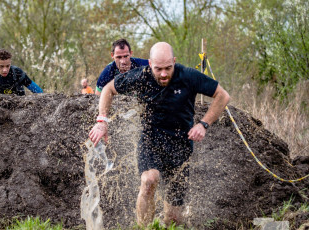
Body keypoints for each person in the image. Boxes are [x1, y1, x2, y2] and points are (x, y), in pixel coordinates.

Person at [89, 42, 230, 226]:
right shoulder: (140, 76)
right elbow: (108, 89)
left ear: (174, 61)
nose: (163, 74)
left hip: (181, 144)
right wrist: (102, 121)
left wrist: (204, 124)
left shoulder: (188, 76)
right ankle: (144, 227)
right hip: (151, 139)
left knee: (173, 220)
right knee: (149, 180)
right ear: (149, 64)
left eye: (168, 68)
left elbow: (222, 95)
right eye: (158, 69)